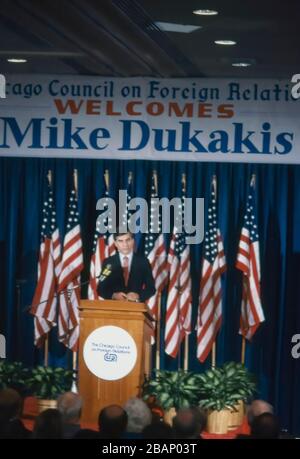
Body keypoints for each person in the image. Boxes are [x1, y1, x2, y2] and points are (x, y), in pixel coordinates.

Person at [97, 231, 156, 303]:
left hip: (136, 308)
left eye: (128, 240)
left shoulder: (143, 262)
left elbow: (151, 288)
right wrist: (113, 295)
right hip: (114, 307)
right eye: (120, 241)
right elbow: (101, 288)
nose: (125, 244)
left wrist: (138, 296)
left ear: (133, 241)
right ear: (115, 244)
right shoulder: (109, 263)